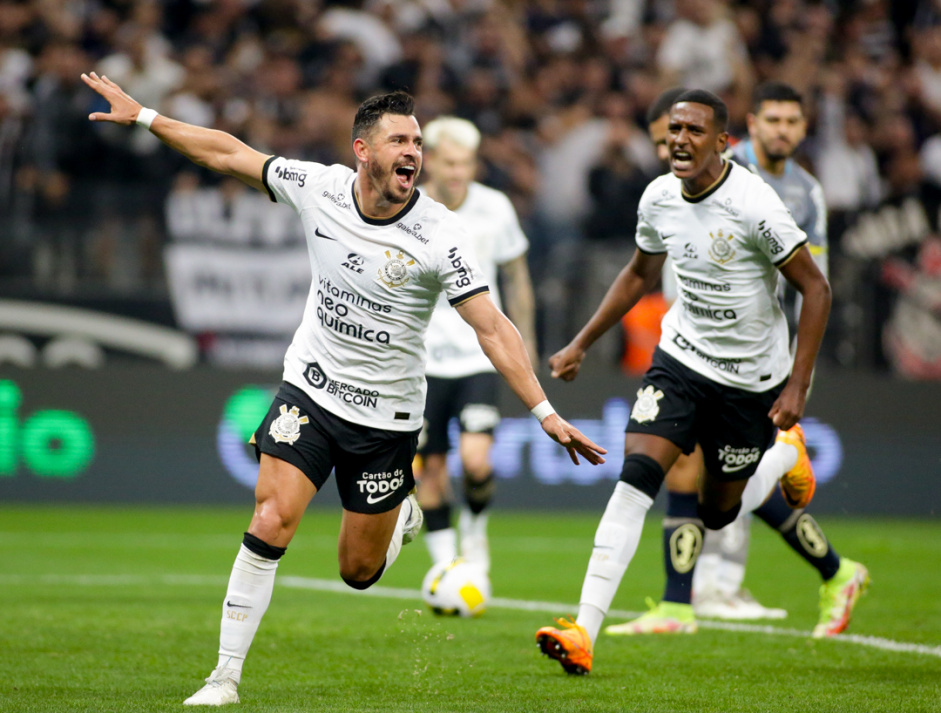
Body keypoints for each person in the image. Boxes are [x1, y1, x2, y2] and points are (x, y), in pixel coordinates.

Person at [80, 72, 606, 705]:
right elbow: (226, 152)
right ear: (363, 149)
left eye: (417, 142)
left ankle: (405, 516)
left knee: (357, 572)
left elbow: (493, 328)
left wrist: (543, 411)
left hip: (386, 419)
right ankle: (224, 676)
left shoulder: (441, 236)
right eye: (399, 141)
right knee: (272, 517)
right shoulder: (319, 187)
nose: (413, 152)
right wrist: (146, 118)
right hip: (310, 388)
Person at [534, 89, 831, 675]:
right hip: (681, 360)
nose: (680, 139)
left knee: (719, 512)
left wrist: (796, 387)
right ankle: (584, 631)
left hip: (751, 380)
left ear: (723, 143)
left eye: (695, 131)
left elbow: (815, 288)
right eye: (674, 128)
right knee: (637, 475)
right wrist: (581, 343)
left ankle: (782, 457)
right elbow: (639, 272)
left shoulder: (755, 205)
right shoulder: (660, 197)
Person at [606, 86, 870, 635]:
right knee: (699, 474)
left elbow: (809, 284)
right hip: (692, 346)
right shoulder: (681, 182)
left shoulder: (785, 191)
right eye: (772, 118)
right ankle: (701, 596)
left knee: (722, 481)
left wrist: (796, 375)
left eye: (792, 120)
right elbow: (646, 263)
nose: (671, 149)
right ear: (754, 123)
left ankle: (720, 589)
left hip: (757, 358)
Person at [416, 116, 537, 576]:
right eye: (449, 162)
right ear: (431, 160)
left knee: (476, 460)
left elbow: (517, 278)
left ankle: (476, 529)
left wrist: (523, 345)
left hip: (479, 356)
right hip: (423, 360)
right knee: (429, 471)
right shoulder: (413, 207)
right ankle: (449, 568)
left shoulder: (495, 207)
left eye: (465, 163)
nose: (457, 173)